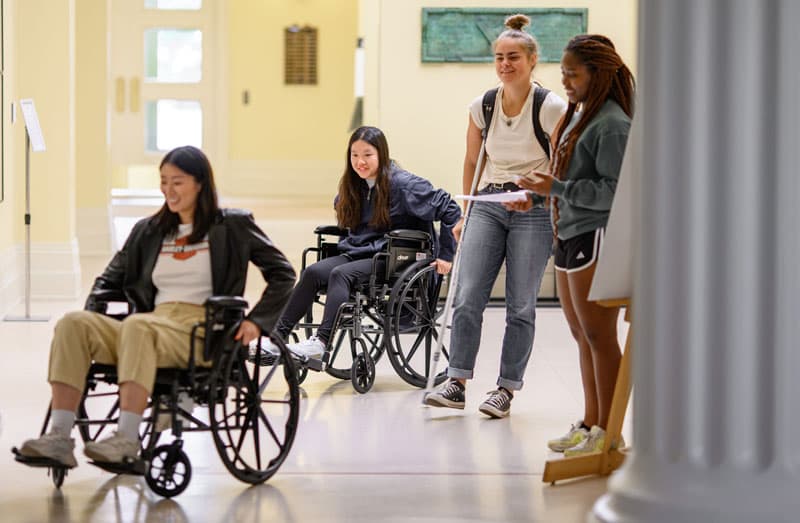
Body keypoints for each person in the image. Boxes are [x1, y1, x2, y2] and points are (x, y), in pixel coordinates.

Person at [16, 145, 296, 467]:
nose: (168, 190)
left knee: (138, 325)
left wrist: (257, 322)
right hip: (150, 325)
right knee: (72, 323)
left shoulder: (231, 226)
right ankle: (59, 438)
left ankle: (127, 439)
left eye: (177, 181)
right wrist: (95, 320)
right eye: (163, 181)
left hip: (202, 329)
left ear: (200, 183)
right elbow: (107, 282)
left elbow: (283, 274)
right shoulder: (148, 231)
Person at [424, 14, 567, 418]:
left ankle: (505, 389)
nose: (505, 64)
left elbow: (560, 165)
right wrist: (466, 213)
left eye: (514, 57)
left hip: (532, 210)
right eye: (500, 57)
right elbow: (472, 160)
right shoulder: (482, 106)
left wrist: (548, 206)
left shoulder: (550, 107)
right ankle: (457, 381)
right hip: (487, 204)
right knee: (468, 297)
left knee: (520, 305)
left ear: (532, 60)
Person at [513, 34, 635, 454]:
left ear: (597, 75)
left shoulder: (613, 123)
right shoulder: (583, 115)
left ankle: (609, 432)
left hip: (593, 234)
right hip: (568, 232)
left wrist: (558, 187)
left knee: (600, 336)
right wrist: (540, 193)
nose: (564, 80)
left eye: (572, 73)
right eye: (562, 72)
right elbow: (566, 182)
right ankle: (590, 423)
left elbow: (614, 190)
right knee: (582, 335)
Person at [253, 125, 461, 360]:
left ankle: (321, 343)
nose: (360, 162)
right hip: (359, 251)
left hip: (391, 258)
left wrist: (445, 255)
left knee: (341, 275)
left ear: (381, 154)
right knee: (312, 272)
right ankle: (277, 338)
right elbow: (344, 217)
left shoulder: (404, 184)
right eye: (354, 155)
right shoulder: (354, 185)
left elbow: (451, 209)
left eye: (367, 155)